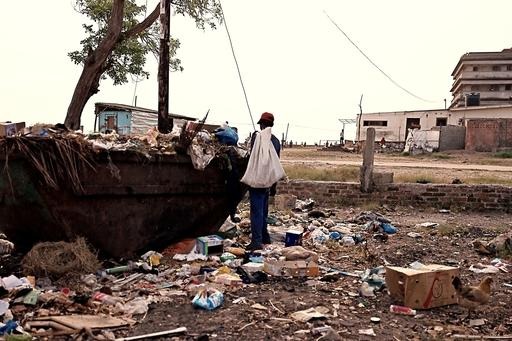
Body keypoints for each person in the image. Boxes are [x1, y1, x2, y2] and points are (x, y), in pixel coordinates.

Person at [246, 112, 281, 251]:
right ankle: (265, 237)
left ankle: (256, 241)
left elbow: (253, 156)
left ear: (261, 124)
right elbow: (276, 164)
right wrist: (273, 186)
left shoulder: (258, 137)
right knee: (264, 212)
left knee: (256, 212)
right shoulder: (277, 141)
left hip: (257, 182)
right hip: (268, 181)